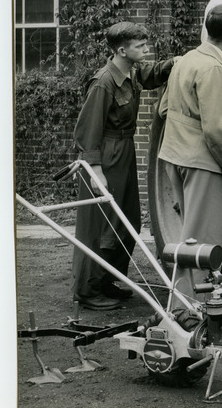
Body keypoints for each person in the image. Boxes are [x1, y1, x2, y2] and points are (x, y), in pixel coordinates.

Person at [159, 4, 222, 300]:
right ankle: (199, 310)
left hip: (174, 155)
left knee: (188, 237)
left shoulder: (188, 59)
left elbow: (165, 109)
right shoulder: (214, 68)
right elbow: (216, 131)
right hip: (201, 162)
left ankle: (182, 303)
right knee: (204, 244)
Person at [72, 22, 176, 310]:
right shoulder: (103, 82)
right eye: (140, 46)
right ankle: (87, 290)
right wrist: (96, 171)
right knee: (101, 225)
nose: (146, 49)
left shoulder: (131, 70)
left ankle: (106, 280)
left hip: (124, 150)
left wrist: (178, 62)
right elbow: (86, 131)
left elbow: (153, 73)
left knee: (128, 219)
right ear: (121, 50)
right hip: (105, 154)